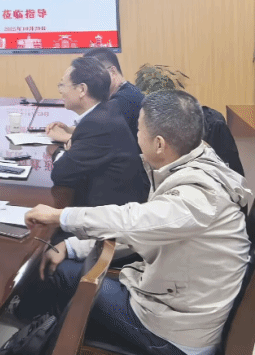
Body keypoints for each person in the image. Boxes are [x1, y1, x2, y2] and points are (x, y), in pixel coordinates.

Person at [25, 90, 252, 355]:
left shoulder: (198, 196)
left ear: (159, 144)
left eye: (139, 129)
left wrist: (59, 216)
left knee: (60, 275)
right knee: (69, 265)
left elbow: (132, 220)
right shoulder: (194, 163)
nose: (136, 136)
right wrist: (73, 246)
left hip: (174, 334)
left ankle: (47, 343)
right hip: (176, 305)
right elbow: (144, 228)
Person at [46, 57, 147, 207]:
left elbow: (60, 174)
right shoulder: (105, 112)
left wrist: (59, 152)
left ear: (82, 90)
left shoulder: (97, 124)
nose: (60, 91)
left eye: (62, 85)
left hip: (111, 214)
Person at [48, 48, 144, 143]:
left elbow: (101, 140)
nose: (90, 79)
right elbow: (94, 131)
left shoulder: (124, 100)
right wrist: (68, 129)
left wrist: (63, 137)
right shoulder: (125, 91)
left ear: (113, 72)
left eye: (95, 73)